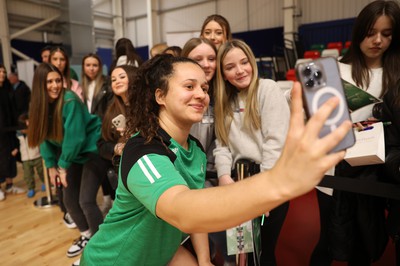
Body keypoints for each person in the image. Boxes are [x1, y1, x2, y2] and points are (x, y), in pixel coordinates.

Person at [80, 54, 352, 265]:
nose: (201, 94)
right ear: (160, 96)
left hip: (159, 255)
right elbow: (183, 210)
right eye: (189, 86)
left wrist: (204, 260)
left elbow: (196, 206)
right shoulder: (143, 151)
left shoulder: (195, 149)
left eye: (204, 87)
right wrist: (278, 181)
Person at [310, 1, 400, 265]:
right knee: (328, 240)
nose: (378, 41)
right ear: (359, 31)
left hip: (375, 172)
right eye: (371, 32)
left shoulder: (396, 75)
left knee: (364, 244)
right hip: (332, 170)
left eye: (387, 34)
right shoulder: (325, 69)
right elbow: (312, 124)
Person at [213, 39, 290, 265]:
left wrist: (265, 192)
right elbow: (222, 145)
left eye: (244, 62)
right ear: (223, 73)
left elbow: (275, 144)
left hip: (269, 183)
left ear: (252, 62)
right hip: (239, 184)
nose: (239, 70)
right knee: (242, 253)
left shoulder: (267, 89)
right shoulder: (224, 101)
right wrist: (224, 176)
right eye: (230, 67)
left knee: (264, 252)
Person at [27, 63, 104, 264]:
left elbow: (76, 138)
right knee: (69, 201)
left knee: (85, 201)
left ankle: (101, 246)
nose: (55, 85)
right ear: (39, 86)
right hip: (71, 155)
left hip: (90, 150)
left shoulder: (69, 100)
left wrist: (62, 166)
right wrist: (51, 165)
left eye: (57, 80)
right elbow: (42, 136)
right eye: (49, 82)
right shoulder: (39, 106)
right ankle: (87, 236)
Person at [81, 53, 115, 215]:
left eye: (94, 65)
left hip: (102, 131)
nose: (91, 68)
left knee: (108, 168)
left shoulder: (107, 83)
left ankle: (112, 202)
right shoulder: (81, 86)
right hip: (87, 134)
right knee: (98, 170)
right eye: (88, 65)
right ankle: (107, 199)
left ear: (100, 67)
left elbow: (108, 110)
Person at [97, 65, 138, 192]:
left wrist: (132, 133)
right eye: (113, 80)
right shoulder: (111, 111)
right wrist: (117, 148)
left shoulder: (145, 107)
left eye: (122, 77)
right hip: (123, 171)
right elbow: (102, 144)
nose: (117, 82)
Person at [0, 64, 25, 201]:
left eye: (3, 72)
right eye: (0, 72)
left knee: (10, 157)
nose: (2, 74)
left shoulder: (7, 90)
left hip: (9, 131)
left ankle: (10, 185)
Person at [16, 113, 45, 198]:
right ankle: (31, 188)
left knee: (41, 171)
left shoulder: (35, 132)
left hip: (37, 155)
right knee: (28, 175)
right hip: (25, 158)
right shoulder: (18, 135)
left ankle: (45, 183)